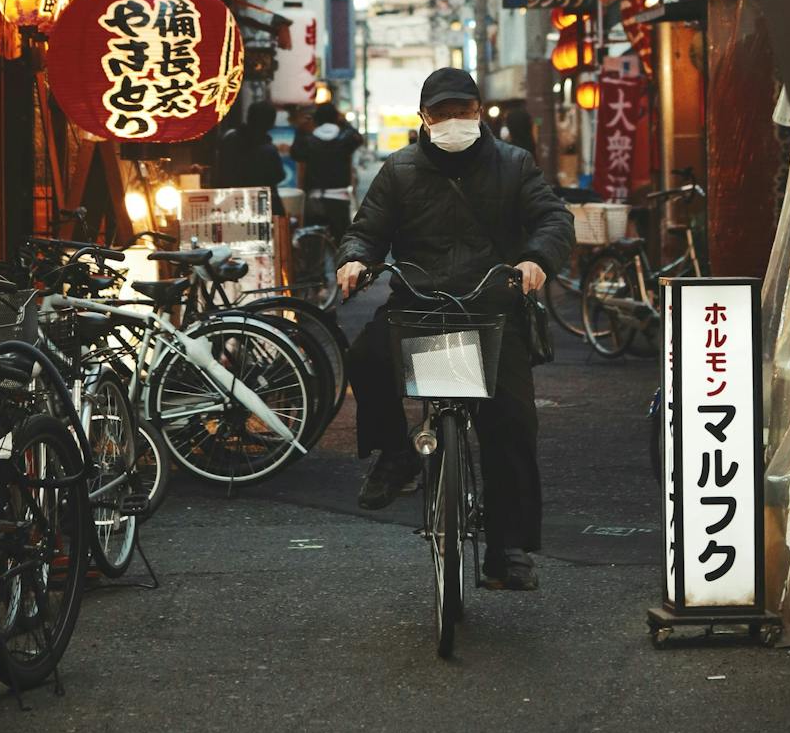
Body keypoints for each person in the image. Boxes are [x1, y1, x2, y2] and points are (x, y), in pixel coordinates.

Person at [336, 65, 575, 593]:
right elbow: (366, 231)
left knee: (510, 424)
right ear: (424, 118)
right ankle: (397, 455)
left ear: (478, 111)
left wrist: (537, 259)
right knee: (365, 356)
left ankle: (508, 550)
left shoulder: (514, 165)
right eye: (440, 114)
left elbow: (553, 219)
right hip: (420, 308)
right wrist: (355, 259)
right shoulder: (398, 171)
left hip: (493, 311)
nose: (452, 122)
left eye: (461, 112)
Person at [292, 102, 363, 242]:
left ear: (316, 119)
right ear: (336, 118)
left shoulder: (308, 141)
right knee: (341, 245)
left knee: (313, 246)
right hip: (339, 200)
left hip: (314, 201)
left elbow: (295, 153)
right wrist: (345, 122)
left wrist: (300, 130)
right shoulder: (345, 140)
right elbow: (358, 138)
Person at [214, 97, 285, 214]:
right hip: (261, 206)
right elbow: (278, 176)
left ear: (248, 117)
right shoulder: (269, 150)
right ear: (271, 123)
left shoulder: (228, 138)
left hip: (229, 204)